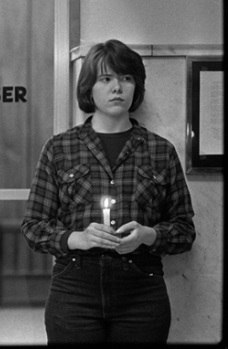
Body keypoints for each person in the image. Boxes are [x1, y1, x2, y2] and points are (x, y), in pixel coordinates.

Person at [21, 39, 195, 344]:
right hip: (74, 288)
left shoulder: (159, 150)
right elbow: (34, 227)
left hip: (141, 289)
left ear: (136, 88)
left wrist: (147, 235)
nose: (118, 87)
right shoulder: (59, 148)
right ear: (90, 88)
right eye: (107, 79)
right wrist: (78, 238)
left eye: (127, 79)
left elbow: (184, 230)